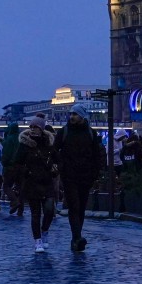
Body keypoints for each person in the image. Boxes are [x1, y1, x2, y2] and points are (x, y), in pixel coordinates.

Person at [52, 105, 104, 252]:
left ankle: (76, 237)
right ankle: (77, 237)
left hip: (86, 176)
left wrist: (95, 173)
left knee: (81, 207)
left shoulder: (91, 133)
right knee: (74, 206)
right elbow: (54, 150)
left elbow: (97, 154)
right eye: (70, 114)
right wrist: (61, 165)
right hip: (69, 176)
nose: (71, 117)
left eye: (74, 114)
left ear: (82, 116)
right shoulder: (64, 132)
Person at [12, 116, 56, 253]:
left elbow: (57, 158)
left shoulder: (48, 143)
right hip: (32, 182)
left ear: (41, 128)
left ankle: (45, 231)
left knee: (49, 210)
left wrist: (56, 167)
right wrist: (25, 172)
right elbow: (17, 162)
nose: (32, 129)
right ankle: (38, 241)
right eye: (31, 127)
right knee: (35, 213)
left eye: (35, 127)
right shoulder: (24, 144)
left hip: (47, 180)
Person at [1, 122, 23, 216]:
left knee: (6, 187)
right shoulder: (21, 138)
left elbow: (6, 154)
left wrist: (4, 163)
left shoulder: (9, 139)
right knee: (20, 188)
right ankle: (20, 210)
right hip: (21, 167)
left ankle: (14, 202)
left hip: (10, 167)